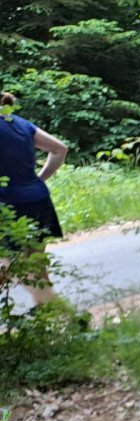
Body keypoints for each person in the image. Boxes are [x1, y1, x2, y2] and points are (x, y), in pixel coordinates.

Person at [0, 91, 68, 306]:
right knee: (36, 265)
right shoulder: (20, 123)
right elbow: (59, 149)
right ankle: (46, 314)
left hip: (8, 205)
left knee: (11, 266)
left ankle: (62, 312)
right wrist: (39, 179)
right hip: (37, 199)